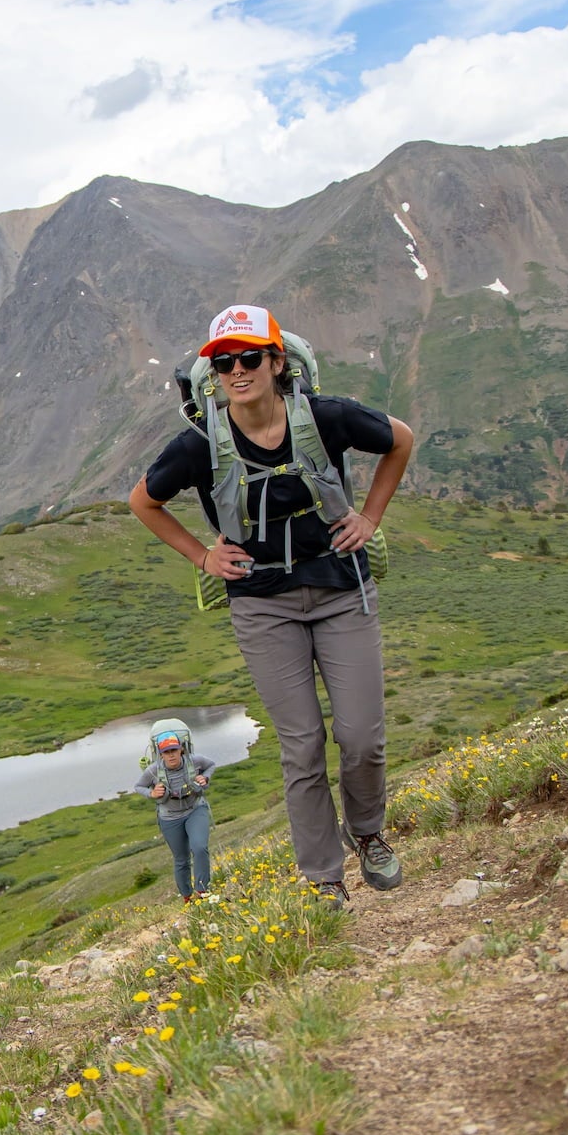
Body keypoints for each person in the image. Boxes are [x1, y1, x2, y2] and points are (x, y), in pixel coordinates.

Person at [127, 303, 415, 905]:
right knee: (303, 744)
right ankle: (323, 876)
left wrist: (370, 517)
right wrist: (202, 557)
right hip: (262, 605)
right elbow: (143, 501)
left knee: (361, 736)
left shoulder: (326, 418)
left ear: (277, 360)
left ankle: (368, 836)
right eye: (224, 362)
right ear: (213, 373)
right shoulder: (200, 443)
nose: (237, 370)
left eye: (249, 357)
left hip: (342, 588)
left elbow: (400, 441)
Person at [139, 718, 214, 900]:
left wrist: (205, 778)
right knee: (181, 859)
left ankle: (203, 891)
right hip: (169, 817)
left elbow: (211, 765)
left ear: (181, 748)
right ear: (160, 754)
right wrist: (152, 793)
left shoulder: (195, 760)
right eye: (166, 752)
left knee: (199, 847)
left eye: (174, 750)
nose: (171, 755)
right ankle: (186, 897)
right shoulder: (153, 770)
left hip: (195, 808)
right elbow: (138, 786)